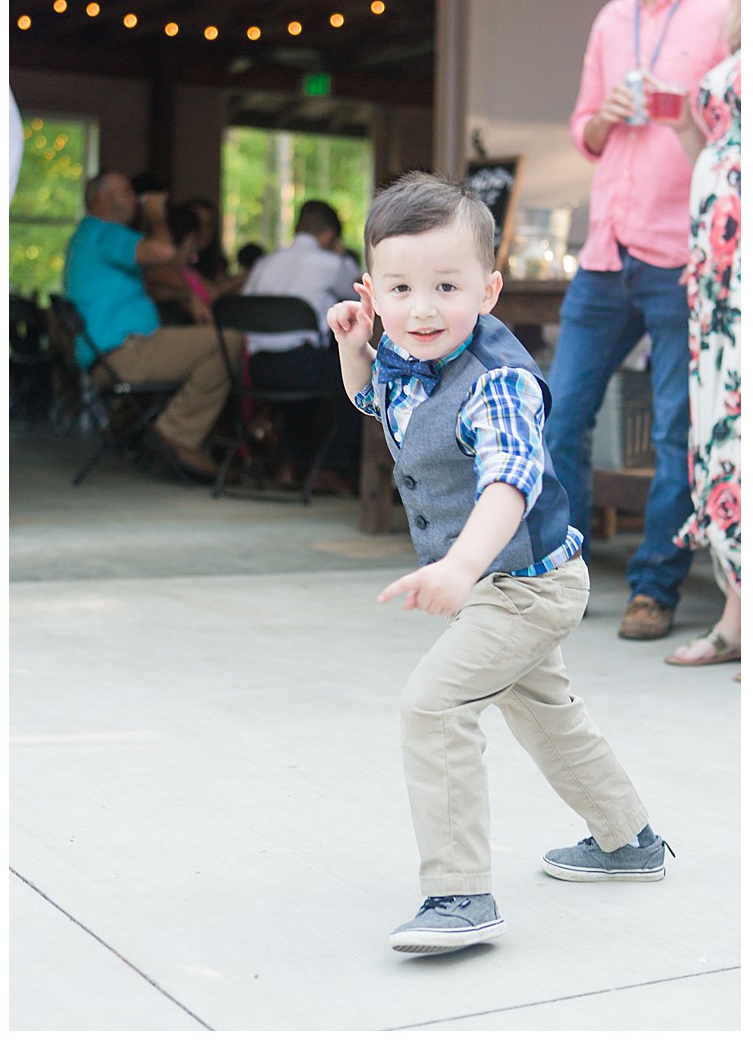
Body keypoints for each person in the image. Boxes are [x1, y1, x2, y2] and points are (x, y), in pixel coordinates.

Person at [327, 172, 666, 955]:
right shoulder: (405, 358)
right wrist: (356, 350)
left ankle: (459, 895)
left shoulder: (499, 383)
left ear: (489, 289)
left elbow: (510, 480)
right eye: (401, 287)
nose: (422, 308)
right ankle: (630, 840)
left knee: (435, 707)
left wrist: (460, 566)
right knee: (548, 716)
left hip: (523, 584)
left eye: (446, 286)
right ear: (372, 289)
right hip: (506, 582)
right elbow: (373, 405)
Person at [546, 0, 732, 641]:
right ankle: (561, 577)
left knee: (677, 428)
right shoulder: (607, 18)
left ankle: (655, 586)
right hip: (604, 246)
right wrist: (603, 117)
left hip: (681, 248)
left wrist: (679, 109)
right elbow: (584, 129)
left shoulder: (722, 11)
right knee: (560, 413)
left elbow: (733, 128)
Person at [665, 0, 741, 672]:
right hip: (716, 269)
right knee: (718, 426)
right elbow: (711, 159)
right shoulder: (728, 54)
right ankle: (734, 613)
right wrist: (684, 124)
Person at [64, 170, 237, 479]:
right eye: (127, 191)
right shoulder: (105, 233)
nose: (135, 199)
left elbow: (157, 277)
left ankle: (174, 431)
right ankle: (178, 433)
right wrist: (156, 215)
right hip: (125, 352)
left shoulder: (89, 237)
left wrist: (186, 295)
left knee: (212, 342)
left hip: (116, 354)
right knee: (231, 340)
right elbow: (164, 253)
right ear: (101, 198)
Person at [240, 199, 364, 489]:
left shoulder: (263, 264)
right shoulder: (333, 264)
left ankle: (288, 463)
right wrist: (342, 257)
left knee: (305, 396)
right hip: (303, 366)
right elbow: (360, 299)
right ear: (330, 235)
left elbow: (244, 306)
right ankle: (337, 468)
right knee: (357, 380)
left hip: (258, 369)